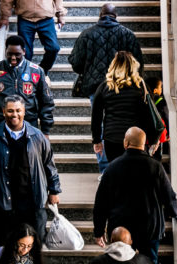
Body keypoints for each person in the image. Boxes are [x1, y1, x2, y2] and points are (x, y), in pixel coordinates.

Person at [0, 95, 62, 245]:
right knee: (5, 248)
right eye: (10, 111)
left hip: (33, 204)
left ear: (24, 111)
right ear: (3, 112)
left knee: (35, 246)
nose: (15, 114)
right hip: (3, 205)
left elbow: (49, 166)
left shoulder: (37, 137)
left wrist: (54, 190)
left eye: (18, 110)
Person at [68, 2, 144, 172]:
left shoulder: (87, 34)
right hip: (125, 87)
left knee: (101, 124)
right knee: (122, 122)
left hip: (96, 87)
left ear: (100, 15)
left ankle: (105, 169)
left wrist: (90, 68)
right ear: (116, 16)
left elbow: (75, 63)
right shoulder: (127, 34)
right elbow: (139, 63)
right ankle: (125, 163)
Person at [93, 127, 177, 263]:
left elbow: (101, 203)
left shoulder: (112, 168)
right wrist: (176, 213)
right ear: (144, 143)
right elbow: (168, 196)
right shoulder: (155, 167)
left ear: (125, 143)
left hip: (121, 227)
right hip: (149, 227)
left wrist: (99, 231)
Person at [0, 35, 55, 136]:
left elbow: (46, 102)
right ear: (5, 52)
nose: (13, 58)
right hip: (0, 125)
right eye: (10, 54)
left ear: (24, 52)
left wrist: (45, 131)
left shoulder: (36, 72)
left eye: (17, 54)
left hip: (29, 126)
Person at [91, 51, 157, 164]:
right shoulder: (141, 86)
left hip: (112, 139)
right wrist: (153, 139)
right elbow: (149, 115)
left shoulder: (105, 87)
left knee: (116, 172)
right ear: (133, 66)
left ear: (113, 66)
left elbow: (96, 116)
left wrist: (97, 140)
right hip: (136, 139)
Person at [0, 0, 66, 73]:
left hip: (46, 19)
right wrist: (4, 17)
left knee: (53, 48)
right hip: (25, 19)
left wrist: (61, 15)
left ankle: (41, 71)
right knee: (26, 52)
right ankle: (26, 74)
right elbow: (7, 1)